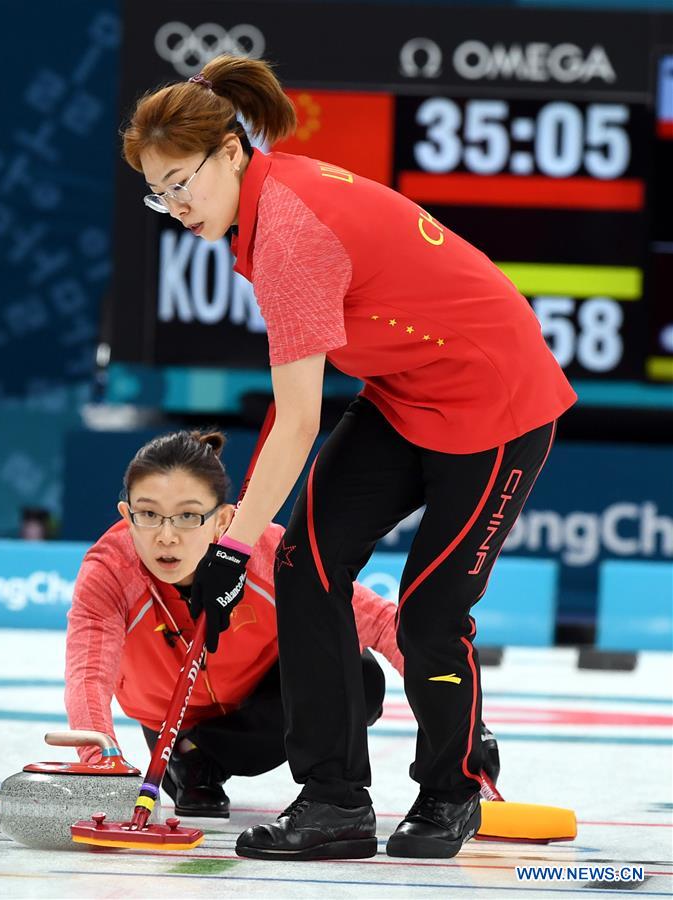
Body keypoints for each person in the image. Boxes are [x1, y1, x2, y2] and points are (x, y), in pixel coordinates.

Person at [121, 54, 572, 860]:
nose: (174, 206)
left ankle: (451, 787)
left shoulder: (290, 232)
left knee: (430, 617)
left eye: (182, 181)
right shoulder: (260, 209)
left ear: (231, 151)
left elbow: (295, 424)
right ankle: (332, 802)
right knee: (305, 567)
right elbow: (286, 418)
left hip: (495, 408)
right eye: (160, 193)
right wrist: (244, 541)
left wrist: (229, 546)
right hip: (403, 396)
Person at [65, 429, 421, 818]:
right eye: (148, 514)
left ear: (223, 520)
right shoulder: (110, 570)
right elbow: (88, 676)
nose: (166, 537)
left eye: (187, 516)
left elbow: (383, 624)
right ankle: (187, 760)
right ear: (127, 516)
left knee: (361, 675)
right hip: (170, 719)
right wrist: (99, 760)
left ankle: (202, 759)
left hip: (260, 704)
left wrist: (454, 726)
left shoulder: (267, 552)